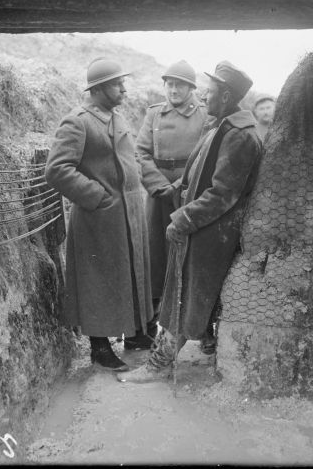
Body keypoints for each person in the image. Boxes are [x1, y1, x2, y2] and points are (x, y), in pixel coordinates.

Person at [118, 60, 263, 383]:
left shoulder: (238, 135)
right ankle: (184, 351)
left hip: (212, 231)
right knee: (184, 291)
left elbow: (222, 194)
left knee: (182, 294)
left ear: (225, 97)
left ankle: (160, 363)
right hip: (204, 225)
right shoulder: (222, 127)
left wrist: (182, 219)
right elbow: (197, 175)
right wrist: (176, 195)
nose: (205, 98)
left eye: (210, 93)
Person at [45, 57, 154, 372]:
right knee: (99, 281)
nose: (123, 88)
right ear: (99, 88)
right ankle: (99, 348)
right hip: (99, 219)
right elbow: (56, 169)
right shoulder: (78, 121)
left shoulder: (116, 117)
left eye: (123, 82)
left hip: (127, 217)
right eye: (118, 83)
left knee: (128, 276)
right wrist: (97, 197)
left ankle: (134, 336)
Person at [135, 60, 208, 346]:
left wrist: (180, 185)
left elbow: (204, 154)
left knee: (191, 252)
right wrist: (157, 185)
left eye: (180, 84)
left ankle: (200, 328)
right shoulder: (154, 113)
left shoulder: (203, 114)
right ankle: (152, 320)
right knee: (155, 252)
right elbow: (140, 153)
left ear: (192, 88)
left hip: (190, 189)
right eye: (170, 84)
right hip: (158, 192)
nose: (174, 89)